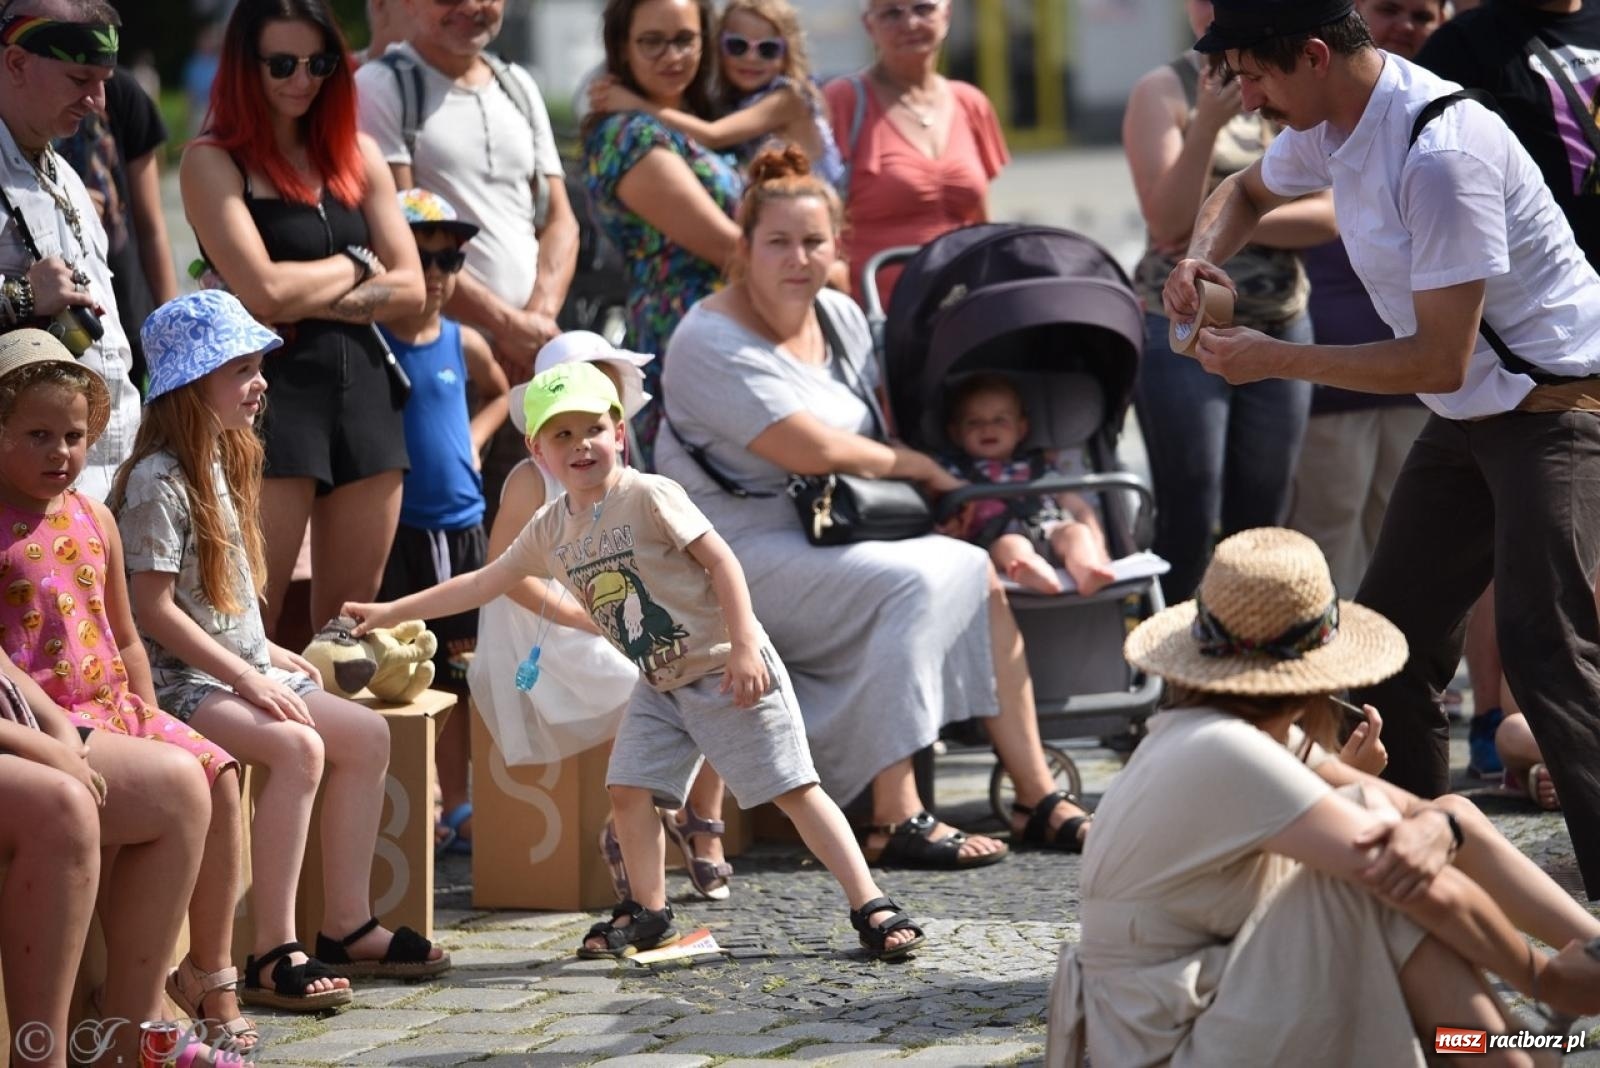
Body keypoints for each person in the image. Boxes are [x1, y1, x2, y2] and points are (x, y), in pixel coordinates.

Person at [1163, 0, 1600, 899]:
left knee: (1544, 642)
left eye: (1254, 75)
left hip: (1558, 406)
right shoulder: (1340, 121)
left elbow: (1432, 357)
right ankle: (1417, 886)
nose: (1246, 100)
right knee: (1388, 642)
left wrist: (1272, 358)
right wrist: (1201, 261)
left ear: (1316, 56)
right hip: (1476, 407)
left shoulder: (1441, 156)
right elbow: (1241, 192)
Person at [345, 362, 930, 962]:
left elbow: (722, 562)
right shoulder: (551, 527)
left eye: (593, 429)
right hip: (658, 683)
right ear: (536, 449)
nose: (581, 445)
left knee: (793, 788)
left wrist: (747, 644)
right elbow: (482, 581)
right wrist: (390, 609)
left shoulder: (649, 494)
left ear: (619, 432)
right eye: (562, 435)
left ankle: (870, 902)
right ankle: (650, 912)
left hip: (723, 666)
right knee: (627, 789)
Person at [658, 147, 1094, 868]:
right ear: (743, 248)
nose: (798, 258)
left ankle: (1036, 797)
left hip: (831, 530)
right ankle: (895, 816)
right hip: (735, 551)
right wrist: (927, 472)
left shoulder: (838, 312)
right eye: (778, 242)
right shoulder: (706, 339)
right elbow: (812, 449)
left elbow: (869, 435)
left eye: (814, 241)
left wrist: (927, 500)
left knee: (971, 568)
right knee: (919, 579)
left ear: (838, 246)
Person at [1047, 527, 1600, 1068]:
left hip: (1208, 1004)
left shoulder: (1227, 731)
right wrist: (1538, 974)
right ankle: (1512, 1053)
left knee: (1441, 815)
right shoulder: (1224, 749)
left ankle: (1581, 970)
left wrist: (1438, 826)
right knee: (1378, 880)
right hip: (1167, 1045)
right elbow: (1399, 861)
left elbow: (1436, 822)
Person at [111, 292, 448, 1007]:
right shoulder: (156, 481)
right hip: (178, 682)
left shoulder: (226, 461)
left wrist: (264, 649)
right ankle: (271, 948)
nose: (260, 382)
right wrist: (243, 671)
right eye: (241, 369)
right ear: (187, 387)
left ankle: (346, 926)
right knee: (298, 750)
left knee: (362, 735)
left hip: (235, 669)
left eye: (259, 366)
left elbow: (222, 591)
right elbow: (152, 607)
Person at [0, 329, 251, 1063]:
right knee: (179, 789)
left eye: (75, 436)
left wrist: (147, 711)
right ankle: (131, 1026)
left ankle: (158, 997)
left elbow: (128, 637)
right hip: (57, 714)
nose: (60, 453)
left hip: (112, 706)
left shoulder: (95, 516)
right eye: (38, 435)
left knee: (216, 772)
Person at [181, 0, 425, 641]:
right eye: (282, 64)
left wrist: (298, 292)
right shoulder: (212, 161)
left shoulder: (358, 154)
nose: (302, 80)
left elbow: (413, 289)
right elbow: (262, 293)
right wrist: (358, 262)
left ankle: (337, 744)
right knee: (245, 630)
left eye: (319, 63)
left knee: (348, 638)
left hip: (366, 398)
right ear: (244, 68)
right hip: (267, 399)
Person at [1415, 0, 1600, 783]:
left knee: (1554, 594)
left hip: (1576, 338)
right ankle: (1495, 717)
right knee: (1524, 585)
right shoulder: (1468, 44)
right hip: (1531, 348)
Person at [1123, 0, 1335, 603]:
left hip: (1279, 323)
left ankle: (1250, 669)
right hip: (1182, 328)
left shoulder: (1281, 79)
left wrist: (1237, 211)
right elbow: (1165, 220)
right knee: (1190, 508)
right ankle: (1177, 675)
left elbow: (1329, 216)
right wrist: (1207, 129)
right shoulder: (1162, 90)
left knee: (1262, 516)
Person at [355, 0, 579, 515]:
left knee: (544, 542)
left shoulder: (518, 84)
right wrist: (507, 326)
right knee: (459, 543)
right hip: (450, 363)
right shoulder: (382, 85)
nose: (471, 8)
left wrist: (535, 321)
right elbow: (402, 236)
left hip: (530, 359)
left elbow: (561, 220)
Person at [0, 650, 231, 1068]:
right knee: (64, 808)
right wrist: (42, 746)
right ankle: (39, 1059)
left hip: (23, 723)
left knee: (181, 788)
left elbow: (7, 667)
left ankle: (129, 1045)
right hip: (16, 737)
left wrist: (59, 732)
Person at [1286, 0, 1441, 598]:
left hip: (1424, 367)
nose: (1405, 26)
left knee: (1411, 540)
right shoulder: (1316, 99)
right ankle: (1332, 680)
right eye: (1388, 9)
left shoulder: (1446, 109)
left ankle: (1399, 680)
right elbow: (1283, 199)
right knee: (1330, 536)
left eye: (1423, 15)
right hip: (1335, 355)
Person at [376, 189, 508, 857]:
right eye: (421, 257)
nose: (434, 274)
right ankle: (421, 798)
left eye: (449, 258)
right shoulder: (374, 342)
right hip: (399, 531)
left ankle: (459, 802)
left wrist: (477, 440)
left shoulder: (464, 339)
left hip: (462, 529)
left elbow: (501, 390)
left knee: (464, 674)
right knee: (402, 672)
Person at [581, 0, 743, 466]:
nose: (671, 56)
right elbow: (728, 248)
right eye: (651, 41)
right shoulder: (628, 136)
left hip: (737, 323)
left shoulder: (702, 120)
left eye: (685, 39)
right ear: (622, 49)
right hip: (684, 333)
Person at [0, 0, 143, 499]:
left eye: (104, 80)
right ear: (16, 63)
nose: (99, 101)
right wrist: (18, 296)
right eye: (81, 79)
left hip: (106, 486)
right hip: (20, 510)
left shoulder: (69, 178)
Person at [824, 0, 1009, 307]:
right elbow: (817, 217)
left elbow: (980, 220)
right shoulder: (843, 101)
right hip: (875, 314)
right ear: (869, 25)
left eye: (923, 9)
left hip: (961, 307)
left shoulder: (970, 102)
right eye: (891, 13)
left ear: (946, 15)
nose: (909, 24)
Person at [589, 0, 844, 187]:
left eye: (767, 50)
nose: (751, 59)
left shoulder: (788, 97)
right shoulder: (730, 101)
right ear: (717, 47)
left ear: (787, 54)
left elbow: (713, 135)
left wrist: (633, 103)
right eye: (737, 46)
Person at [54, 64, 181, 392]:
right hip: (53, 335)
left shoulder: (121, 91)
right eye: (81, 80)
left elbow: (152, 227)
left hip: (128, 319)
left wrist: (173, 339)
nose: (96, 97)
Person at [939, 373, 1116, 597]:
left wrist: (1098, 544)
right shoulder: (954, 473)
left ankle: (1088, 569)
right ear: (956, 433)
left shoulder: (1040, 467)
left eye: (1000, 420)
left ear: (1021, 428)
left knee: (1076, 532)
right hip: (994, 538)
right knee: (1011, 545)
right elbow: (946, 511)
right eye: (974, 422)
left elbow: (1079, 506)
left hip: (1049, 530)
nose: (987, 428)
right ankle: (1028, 570)